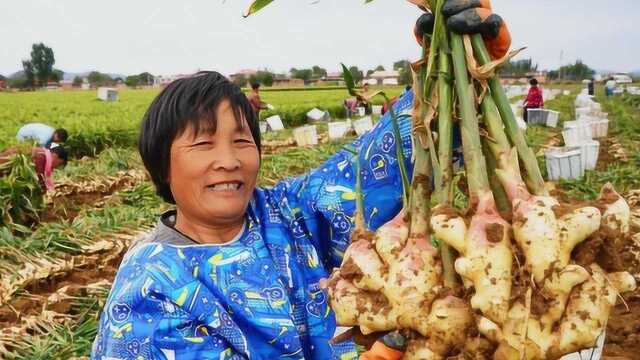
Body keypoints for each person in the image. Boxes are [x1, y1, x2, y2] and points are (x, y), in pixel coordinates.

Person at [90, 1, 511, 358]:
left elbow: (381, 164)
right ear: (162, 166)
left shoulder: (285, 215)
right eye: (203, 145)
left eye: (241, 140)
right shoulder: (149, 291)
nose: (228, 160)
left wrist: (460, 60)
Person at [0, 144, 68, 191]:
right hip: (4, 165)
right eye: (59, 163)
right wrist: (46, 190)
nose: (56, 167)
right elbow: (38, 179)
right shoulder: (41, 156)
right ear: (55, 156)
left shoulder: (43, 153)